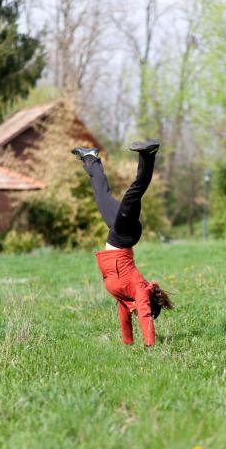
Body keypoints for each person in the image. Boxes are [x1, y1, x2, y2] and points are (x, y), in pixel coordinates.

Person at [71, 140, 173, 347]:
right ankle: (148, 154)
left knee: (101, 196)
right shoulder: (140, 292)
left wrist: (128, 342)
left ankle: (90, 158)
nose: (137, 313)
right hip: (125, 236)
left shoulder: (126, 299)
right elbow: (144, 315)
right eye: (143, 309)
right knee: (133, 194)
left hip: (118, 233)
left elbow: (124, 318)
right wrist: (149, 345)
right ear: (148, 304)